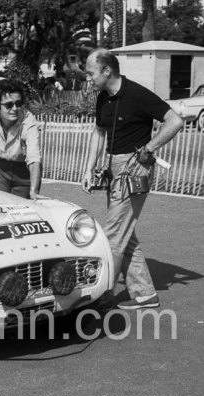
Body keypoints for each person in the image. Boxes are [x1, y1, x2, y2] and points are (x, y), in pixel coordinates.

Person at [81, 48, 183, 310]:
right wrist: (89, 168)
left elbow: (175, 121)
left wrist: (148, 149)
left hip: (134, 168)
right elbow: (98, 132)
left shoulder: (137, 94)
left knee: (113, 235)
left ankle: (102, 294)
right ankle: (146, 294)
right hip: (113, 165)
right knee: (126, 233)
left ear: (107, 71)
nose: (88, 78)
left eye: (91, 73)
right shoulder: (103, 97)